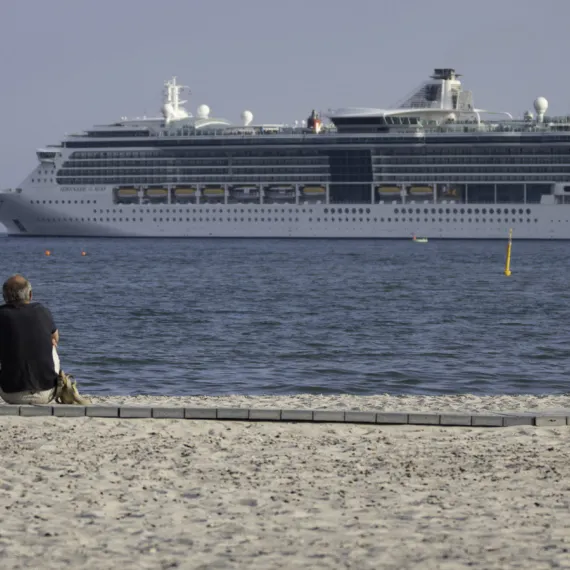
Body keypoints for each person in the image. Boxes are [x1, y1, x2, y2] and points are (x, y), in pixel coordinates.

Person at [0, 274, 61, 405]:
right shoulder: (42, 311)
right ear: (30, 295)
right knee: (52, 342)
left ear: (4, 297)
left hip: (10, 394)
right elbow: (56, 338)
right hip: (47, 393)